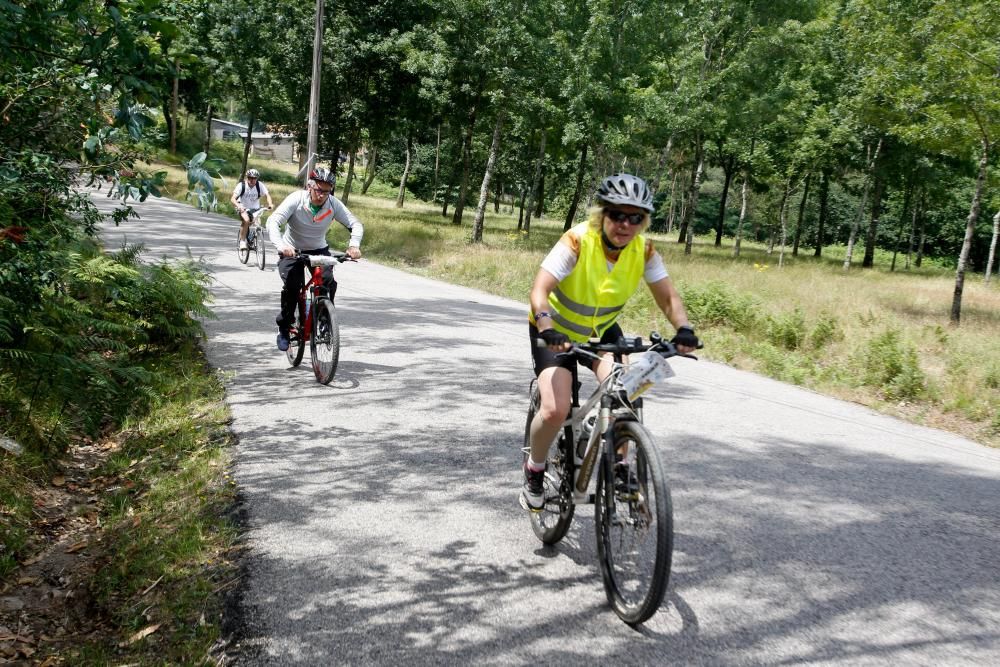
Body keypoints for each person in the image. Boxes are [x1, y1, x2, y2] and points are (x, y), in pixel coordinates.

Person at [521, 172, 701, 511]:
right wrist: (546, 327)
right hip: (556, 331)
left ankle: (620, 468)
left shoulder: (644, 251)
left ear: (643, 221)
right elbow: (539, 289)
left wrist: (684, 328)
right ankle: (535, 469)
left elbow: (667, 297)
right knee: (556, 408)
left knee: (626, 392)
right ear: (602, 214)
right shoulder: (577, 240)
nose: (625, 224)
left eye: (635, 218)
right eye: (617, 214)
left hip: (602, 330)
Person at [266, 166, 363, 351]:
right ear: (310, 186)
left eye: (327, 191)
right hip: (292, 250)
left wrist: (354, 245)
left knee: (327, 282)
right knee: (293, 286)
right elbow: (274, 221)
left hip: (318, 249)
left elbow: (355, 224)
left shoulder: (333, 204)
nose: (322, 195)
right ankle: (284, 327)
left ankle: (325, 321)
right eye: (319, 190)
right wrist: (282, 246)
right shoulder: (296, 199)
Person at [231, 168, 275, 250]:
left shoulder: (259, 185)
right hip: (242, 207)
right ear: (247, 178)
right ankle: (242, 241)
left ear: (257, 179)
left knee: (256, 223)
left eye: (254, 178)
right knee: (246, 221)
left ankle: (252, 238)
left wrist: (270, 204)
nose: (252, 180)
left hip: (255, 209)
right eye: (250, 178)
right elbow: (233, 199)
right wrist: (238, 205)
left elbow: (267, 195)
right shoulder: (241, 185)